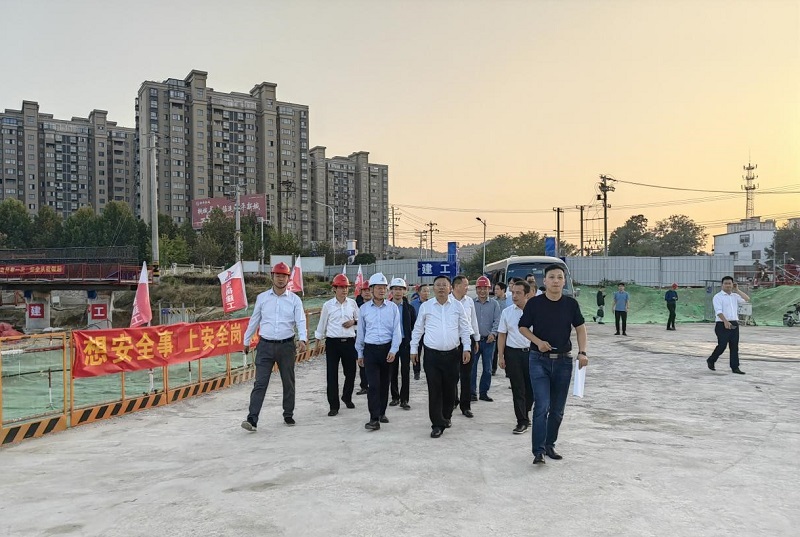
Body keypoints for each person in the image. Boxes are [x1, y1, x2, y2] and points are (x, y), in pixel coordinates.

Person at [519, 264, 588, 465]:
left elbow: (581, 328)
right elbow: (523, 327)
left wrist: (582, 352)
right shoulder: (535, 304)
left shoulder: (570, 304)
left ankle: (550, 445)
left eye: (559, 277)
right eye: (552, 277)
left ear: (564, 281)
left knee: (557, 410)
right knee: (542, 406)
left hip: (563, 362)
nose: (556, 281)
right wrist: (538, 342)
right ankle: (538, 451)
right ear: (545, 281)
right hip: (538, 360)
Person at [241, 262, 308, 432]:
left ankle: (288, 413)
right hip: (265, 346)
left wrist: (303, 339)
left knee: (288, 381)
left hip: (286, 346)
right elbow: (254, 320)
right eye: (278, 275)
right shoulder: (262, 298)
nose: (280, 279)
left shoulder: (294, 300)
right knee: (260, 383)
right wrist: (246, 340)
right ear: (272, 277)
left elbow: (300, 320)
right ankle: (252, 419)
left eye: (284, 276)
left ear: (288, 278)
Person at [410, 275, 472, 438]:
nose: (441, 288)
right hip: (432, 356)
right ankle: (437, 423)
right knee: (435, 389)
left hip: (452, 355)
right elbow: (418, 329)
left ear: (450, 288)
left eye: (444, 285)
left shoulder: (457, 306)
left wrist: (467, 348)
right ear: (433, 288)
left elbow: (464, 328)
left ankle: (446, 416)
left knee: (450, 389)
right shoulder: (426, 306)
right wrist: (413, 349)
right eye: (438, 285)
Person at [356, 273, 402, 431]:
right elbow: (361, 332)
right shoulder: (363, 309)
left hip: (387, 350)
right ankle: (374, 418)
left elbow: (396, 331)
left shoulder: (393, 308)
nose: (382, 290)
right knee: (373, 385)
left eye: (384, 288)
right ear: (371, 289)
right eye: (379, 288)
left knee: (384, 384)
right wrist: (360, 353)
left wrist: (394, 350)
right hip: (370, 350)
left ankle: (382, 412)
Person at [315, 274, 359, 417]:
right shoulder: (327, 305)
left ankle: (347, 396)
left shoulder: (352, 304)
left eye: (346, 287)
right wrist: (317, 341)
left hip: (349, 342)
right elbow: (322, 324)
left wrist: (353, 322)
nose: (344, 290)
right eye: (341, 287)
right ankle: (334, 406)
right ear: (334, 288)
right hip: (333, 343)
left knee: (351, 372)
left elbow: (360, 320)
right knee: (332, 375)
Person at [497, 280, 532, 434]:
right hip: (513, 354)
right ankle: (521, 420)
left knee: (531, 388)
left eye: (518, 293)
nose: (515, 296)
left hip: (532, 354)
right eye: (513, 293)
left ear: (527, 294)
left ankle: (526, 412)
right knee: (518, 388)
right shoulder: (507, 312)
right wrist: (501, 356)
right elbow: (502, 335)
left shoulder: (535, 311)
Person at [451, 275, 480, 418]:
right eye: (465, 285)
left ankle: (465, 405)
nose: (467, 288)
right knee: (452, 374)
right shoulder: (448, 301)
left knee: (466, 374)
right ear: (457, 286)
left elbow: (473, 320)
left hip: (468, 340)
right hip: (452, 341)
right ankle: (452, 400)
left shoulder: (469, 301)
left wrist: (476, 338)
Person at [707, 276, 749, 375]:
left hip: (734, 323)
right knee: (722, 345)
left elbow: (747, 299)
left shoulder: (735, 296)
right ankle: (711, 360)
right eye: (725, 283)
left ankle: (735, 367)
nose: (728, 285)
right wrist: (725, 321)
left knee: (734, 346)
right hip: (722, 324)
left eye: (729, 283)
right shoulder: (718, 297)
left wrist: (737, 290)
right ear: (722, 285)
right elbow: (718, 311)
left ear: (732, 284)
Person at [388, 277, 417, 410]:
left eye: (400, 289)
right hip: (391, 343)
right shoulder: (386, 307)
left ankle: (404, 399)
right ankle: (395, 397)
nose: (398, 292)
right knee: (392, 371)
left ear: (404, 291)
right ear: (391, 291)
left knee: (405, 371)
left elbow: (414, 327)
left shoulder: (409, 308)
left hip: (405, 343)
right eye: (395, 289)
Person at [472, 276, 501, 402]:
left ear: (489, 289)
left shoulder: (494, 304)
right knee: (472, 368)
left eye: (485, 288)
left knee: (488, 369)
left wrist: (493, 333)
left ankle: (484, 392)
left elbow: (497, 320)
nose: (482, 291)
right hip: (475, 341)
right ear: (476, 289)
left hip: (489, 342)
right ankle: (472, 393)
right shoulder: (471, 303)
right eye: (480, 288)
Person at [355, 282, 372, 395]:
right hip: (360, 337)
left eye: (368, 290)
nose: (367, 292)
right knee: (361, 362)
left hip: (373, 339)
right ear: (361, 292)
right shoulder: (356, 305)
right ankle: (364, 386)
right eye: (364, 290)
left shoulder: (377, 305)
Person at [410, 283, 430, 380]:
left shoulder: (431, 304)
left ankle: (428, 370)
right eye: (424, 291)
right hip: (417, 332)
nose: (426, 293)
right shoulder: (413, 304)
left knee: (428, 353)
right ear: (419, 292)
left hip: (428, 332)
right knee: (416, 351)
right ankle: (416, 371)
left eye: (428, 291)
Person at [492, 282, 508, 375]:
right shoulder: (493, 301)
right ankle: (493, 369)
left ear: (503, 290)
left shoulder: (509, 301)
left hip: (506, 330)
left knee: (507, 351)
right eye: (495, 289)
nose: (495, 291)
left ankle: (508, 370)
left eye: (497, 289)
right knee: (494, 351)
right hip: (496, 329)